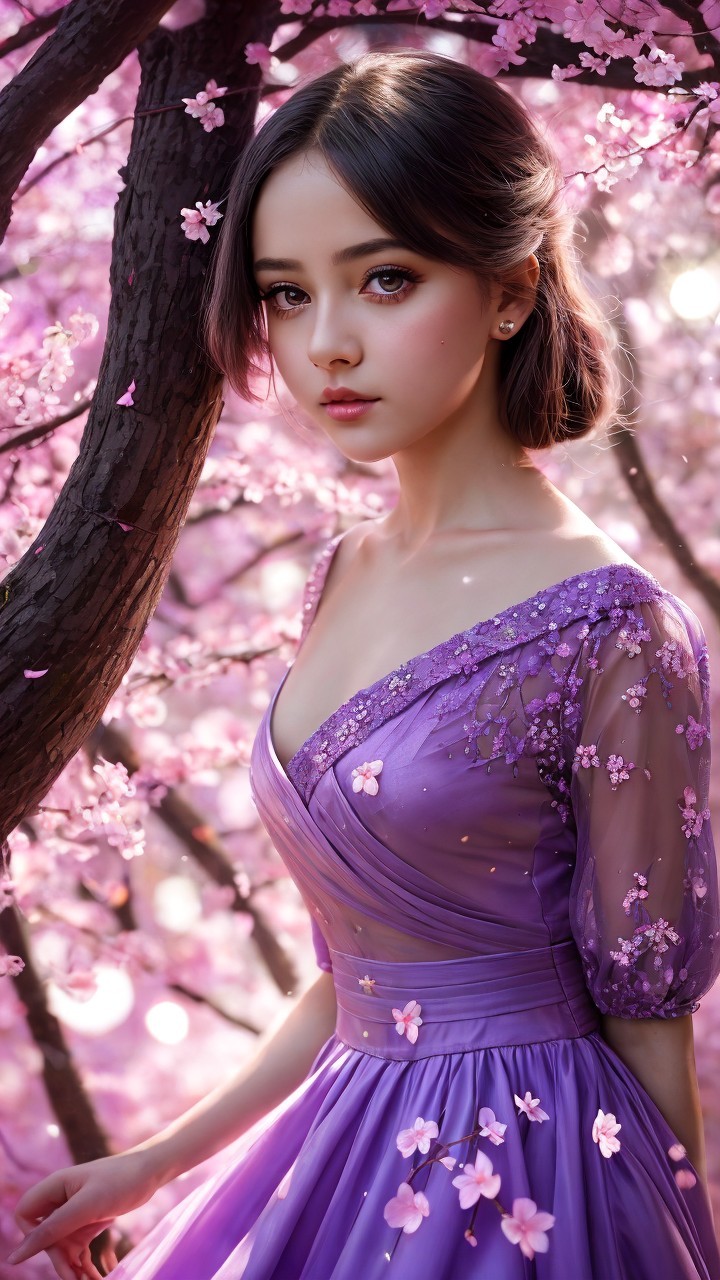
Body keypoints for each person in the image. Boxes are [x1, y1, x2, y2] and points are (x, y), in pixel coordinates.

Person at [8, 48, 720, 1280]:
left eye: (385, 279)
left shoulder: (616, 627)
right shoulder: (337, 570)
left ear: (509, 288)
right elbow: (360, 971)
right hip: (344, 1146)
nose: (325, 343)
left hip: (533, 1181)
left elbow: (647, 1017)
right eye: (286, 293)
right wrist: (157, 1158)